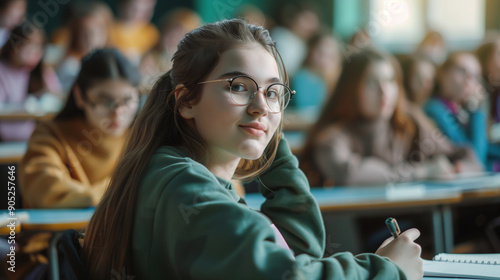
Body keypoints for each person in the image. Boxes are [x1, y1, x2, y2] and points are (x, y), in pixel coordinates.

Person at [83, 19, 423, 280]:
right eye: (239, 87)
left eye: (273, 92)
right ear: (186, 101)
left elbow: (298, 253)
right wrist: (385, 269)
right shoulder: (184, 187)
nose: (261, 105)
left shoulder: (193, 175)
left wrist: (267, 133)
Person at [299, 48, 481, 187]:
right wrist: (419, 173)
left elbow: (463, 154)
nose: (384, 91)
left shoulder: (409, 120)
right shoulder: (332, 136)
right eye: (371, 82)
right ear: (351, 89)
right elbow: (350, 174)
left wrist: (457, 169)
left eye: (389, 81)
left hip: (415, 221)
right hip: (365, 230)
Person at [19, 48, 140, 208]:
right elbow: (45, 191)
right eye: (105, 100)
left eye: (127, 100)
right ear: (79, 96)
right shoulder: (50, 135)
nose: (117, 113)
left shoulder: (142, 138)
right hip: (63, 232)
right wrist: (122, 192)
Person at [424, 52, 492, 169]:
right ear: (442, 73)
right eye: (461, 71)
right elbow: (475, 159)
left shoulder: (464, 111)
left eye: (475, 76)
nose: (469, 79)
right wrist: (477, 109)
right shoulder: (433, 109)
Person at [0, 23, 61, 141]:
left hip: (34, 139)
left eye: (38, 47)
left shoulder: (41, 71)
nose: (33, 52)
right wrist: (25, 107)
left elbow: (56, 98)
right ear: (13, 46)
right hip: (4, 141)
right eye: (28, 46)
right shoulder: (2, 70)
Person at [139, 7, 201, 93]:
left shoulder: (190, 66)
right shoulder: (149, 57)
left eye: (181, 34)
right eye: (172, 30)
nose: (174, 37)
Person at [55, 1, 112, 95]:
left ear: (106, 32)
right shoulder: (70, 65)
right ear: (76, 35)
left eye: (97, 31)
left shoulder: (110, 58)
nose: (90, 38)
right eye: (84, 32)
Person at [290, 30, 342, 116]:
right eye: (320, 54)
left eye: (331, 56)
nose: (324, 61)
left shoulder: (335, 83)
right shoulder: (300, 79)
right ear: (310, 51)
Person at [111, 0, 159, 65]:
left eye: (147, 10)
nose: (139, 14)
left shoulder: (151, 33)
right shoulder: (111, 29)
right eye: (134, 9)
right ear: (123, 5)